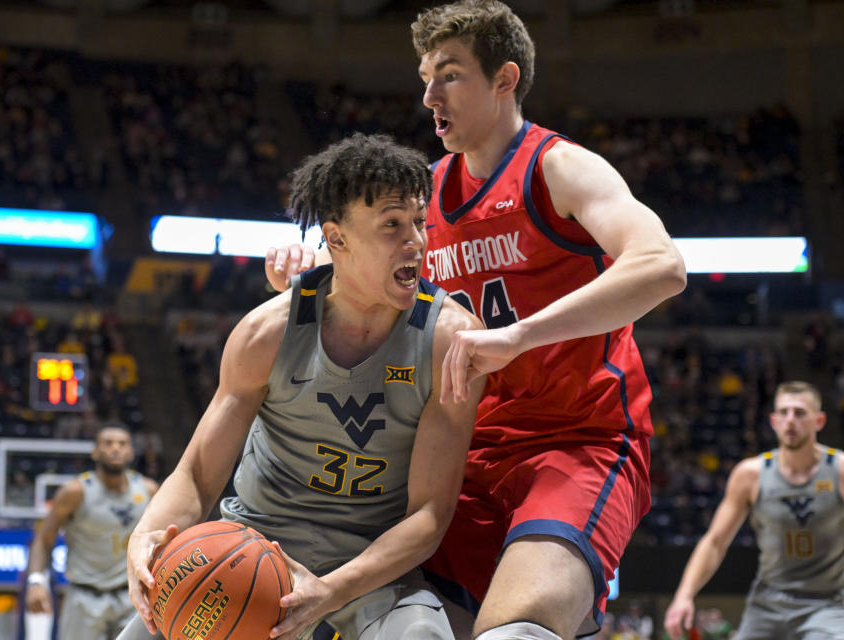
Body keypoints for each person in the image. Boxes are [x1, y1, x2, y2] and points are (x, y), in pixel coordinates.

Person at [266, 2, 686, 639]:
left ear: (505, 79)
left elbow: (661, 266)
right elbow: (346, 271)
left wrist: (519, 336)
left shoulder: (557, 168)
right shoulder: (425, 197)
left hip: (577, 442)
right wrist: (304, 262)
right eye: (426, 77)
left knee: (515, 632)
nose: (430, 93)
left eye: (451, 74)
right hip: (462, 457)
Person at [119, 133, 485, 640]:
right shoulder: (265, 333)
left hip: (369, 564)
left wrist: (330, 592)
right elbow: (200, 473)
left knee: (423, 635)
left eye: (419, 223)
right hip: (252, 546)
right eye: (392, 226)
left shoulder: (452, 339)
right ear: (336, 239)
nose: (417, 242)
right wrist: (147, 535)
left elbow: (429, 514)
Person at [663, 381, 844, 639]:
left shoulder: (839, 470)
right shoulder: (751, 474)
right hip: (769, 601)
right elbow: (715, 542)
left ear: (820, 420)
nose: (790, 420)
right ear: (773, 420)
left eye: (800, 413)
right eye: (783, 412)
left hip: (827, 601)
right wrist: (684, 595)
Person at [26, 425, 159, 640]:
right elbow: (43, 539)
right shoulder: (75, 492)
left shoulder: (149, 490)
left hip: (132, 595)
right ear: (95, 451)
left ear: (131, 452)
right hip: (83, 596)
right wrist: (35, 582)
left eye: (122, 444)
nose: (115, 448)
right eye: (108, 443)